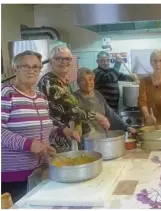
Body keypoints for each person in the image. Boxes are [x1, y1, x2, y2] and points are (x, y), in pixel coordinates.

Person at [1, 51, 80, 202]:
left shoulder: (40, 97)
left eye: (36, 67)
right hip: (15, 175)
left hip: (41, 170)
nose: (31, 71)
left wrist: (63, 130)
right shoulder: (6, 94)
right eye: (25, 66)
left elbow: (45, 124)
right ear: (14, 69)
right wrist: (29, 144)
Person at [37, 46, 109, 153]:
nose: (63, 62)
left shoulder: (64, 82)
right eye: (58, 58)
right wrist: (97, 116)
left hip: (69, 139)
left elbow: (74, 111)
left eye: (67, 59)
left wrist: (88, 131)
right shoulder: (50, 82)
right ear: (51, 62)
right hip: (56, 142)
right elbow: (69, 109)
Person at [74, 67, 137, 134]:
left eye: (90, 79)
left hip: (102, 139)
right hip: (86, 141)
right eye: (83, 80)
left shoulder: (97, 94)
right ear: (78, 82)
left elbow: (110, 113)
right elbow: (75, 117)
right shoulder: (74, 98)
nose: (88, 83)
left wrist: (126, 127)